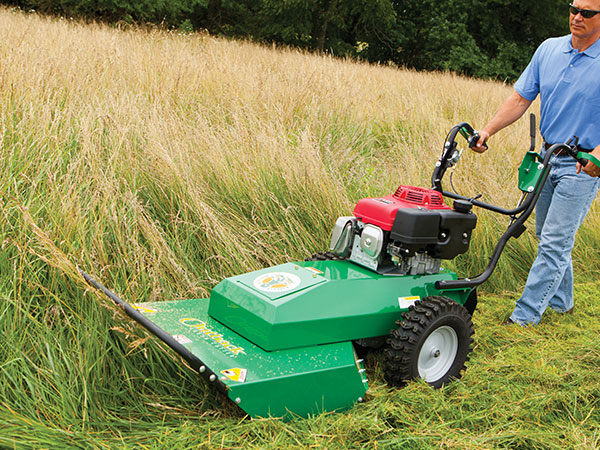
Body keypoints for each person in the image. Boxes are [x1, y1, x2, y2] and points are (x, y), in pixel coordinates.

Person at [471, 1, 600, 326]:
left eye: (587, 13)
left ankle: (524, 317)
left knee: (555, 241)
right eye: (573, 9)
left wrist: (597, 155)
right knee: (549, 236)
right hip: (546, 158)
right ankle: (562, 303)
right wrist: (488, 130)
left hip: (580, 166)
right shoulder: (549, 50)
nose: (577, 17)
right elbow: (520, 98)